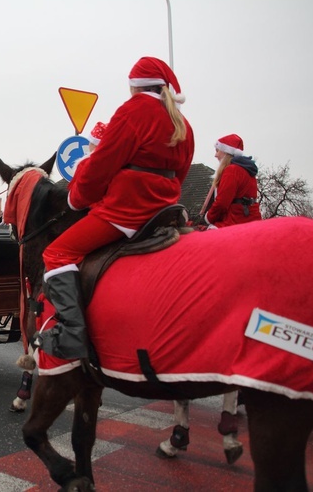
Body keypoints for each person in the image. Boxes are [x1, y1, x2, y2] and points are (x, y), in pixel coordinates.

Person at [38, 56, 195, 359]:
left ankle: (72, 335)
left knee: (56, 252)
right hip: (166, 211)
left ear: (134, 87)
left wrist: (77, 198)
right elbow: (182, 174)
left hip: (128, 211)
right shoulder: (182, 122)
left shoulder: (133, 111)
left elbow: (101, 165)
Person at [204, 134, 261, 228]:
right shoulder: (247, 171)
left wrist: (207, 218)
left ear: (226, 152)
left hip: (235, 221)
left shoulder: (231, 170)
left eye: (217, 151)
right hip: (250, 219)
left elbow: (222, 202)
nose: (215, 155)